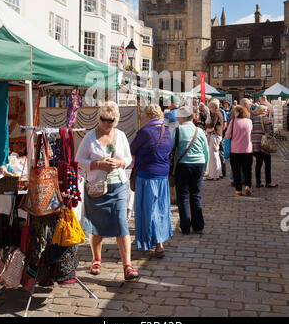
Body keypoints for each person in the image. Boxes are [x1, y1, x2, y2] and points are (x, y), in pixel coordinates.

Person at [76, 101, 139, 280]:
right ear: (99, 118)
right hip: (96, 188)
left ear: (116, 120)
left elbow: (128, 158)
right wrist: (97, 164)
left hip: (117, 185)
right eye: (103, 119)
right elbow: (79, 160)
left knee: (121, 223)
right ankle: (96, 259)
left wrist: (119, 163)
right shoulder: (90, 137)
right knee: (97, 225)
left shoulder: (120, 136)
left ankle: (127, 265)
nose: (106, 123)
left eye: (110, 120)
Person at [130, 104, 172, 257]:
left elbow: (132, 149)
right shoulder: (166, 131)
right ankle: (160, 242)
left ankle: (148, 241)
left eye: (143, 115)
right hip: (162, 175)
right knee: (161, 209)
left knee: (147, 209)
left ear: (147, 116)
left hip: (147, 175)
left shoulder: (145, 132)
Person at [171, 107, 209, 235]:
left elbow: (170, 148)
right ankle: (198, 226)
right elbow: (206, 150)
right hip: (199, 163)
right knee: (196, 195)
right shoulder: (199, 131)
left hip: (183, 165)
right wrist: (205, 167)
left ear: (181, 118)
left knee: (183, 196)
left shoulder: (177, 130)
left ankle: (185, 226)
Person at [225, 105, 253, 196]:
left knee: (236, 170)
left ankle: (238, 190)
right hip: (247, 149)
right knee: (247, 169)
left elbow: (227, 136)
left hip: (235, 150)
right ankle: (248, 186)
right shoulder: (249, 121)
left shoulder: (233, 122)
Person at [251, 105, 278, 188]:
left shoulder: (252, 119)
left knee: (258, 164)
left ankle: (258, 183)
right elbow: (271, 132)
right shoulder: (266, 119)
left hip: (254, 144)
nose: (266, 111)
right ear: (262, 111)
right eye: (265, 110)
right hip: (264, 145)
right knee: (267, 164)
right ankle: (268, 182)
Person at [205, 98, 223, 180]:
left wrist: (206, 125)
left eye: (210, 107)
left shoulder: (215, 113)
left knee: (213, 155)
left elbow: (212, 125)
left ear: (214, 107)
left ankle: (213, 175)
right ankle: (219, 173)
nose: (209, 109)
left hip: (215, 134)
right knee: (216, 154)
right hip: (218, 134)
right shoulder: (219, 112)